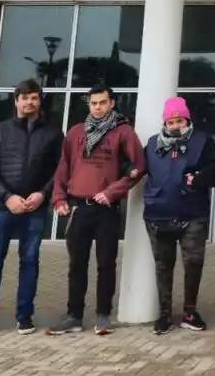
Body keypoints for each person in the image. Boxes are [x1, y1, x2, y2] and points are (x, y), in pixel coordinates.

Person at [0, 79, 63, 338]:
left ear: (40, 101)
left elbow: (61, 171)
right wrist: (7, 197)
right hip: (0, 208)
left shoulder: (53, 134)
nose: (29, 102)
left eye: (34, 97)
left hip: (35, 208)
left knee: (29, 261)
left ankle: (24, 317)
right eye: (24, 97)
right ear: (16, 100)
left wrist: (43, 194)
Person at [47, 84, 146, 336]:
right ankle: (74, 316)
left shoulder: (123, 132)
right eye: (94, 103)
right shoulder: (75, 132)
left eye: (103, 102)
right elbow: (62, 168)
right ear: (89, 105)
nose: (98, 107)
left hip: (106, 209)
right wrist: (59, 199)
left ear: (112, 103)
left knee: (106, 264)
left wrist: (113, 191)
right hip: (79, 207)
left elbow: (139, 167)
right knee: (76, 265)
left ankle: (103, 316)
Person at [142, 96, 215, 335]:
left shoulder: (202, 141)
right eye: (171, 121)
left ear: (187, 119)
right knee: (163, 265)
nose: (176, 125)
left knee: (193, 263)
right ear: (165, 124)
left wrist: (201, 178)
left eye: (180, 120)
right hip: (157, 216)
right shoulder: (151, 144)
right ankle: (164, 315)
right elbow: (136, 168)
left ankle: (190, 312)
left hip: (193, 214)